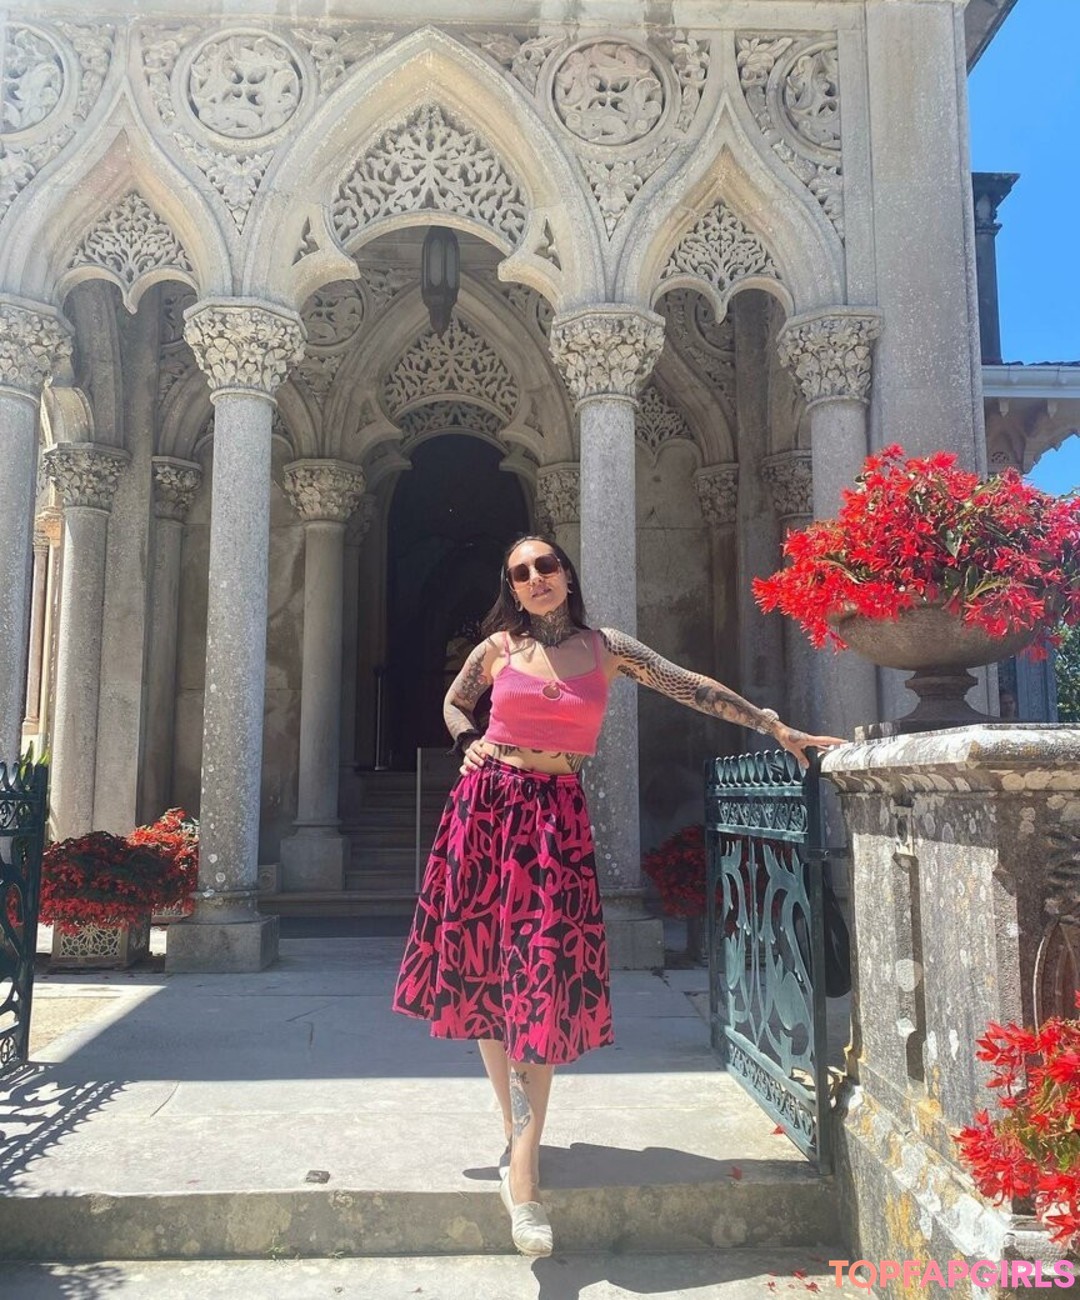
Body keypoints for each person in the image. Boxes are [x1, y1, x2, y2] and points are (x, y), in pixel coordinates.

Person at [392, 534, 845, 1256]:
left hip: (553, 821)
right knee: (487, 977)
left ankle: (523, 1164)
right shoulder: (498, 650)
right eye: (520, 573)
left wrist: (773, 726)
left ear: (566, 575)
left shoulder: (607, 649)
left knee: (539, 981)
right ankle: (521, 1153)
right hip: (486, 810)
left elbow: (691, 685)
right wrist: (466, 739)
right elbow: (454, 701)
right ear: (512, 589)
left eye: (546, 565)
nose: (535, 578)